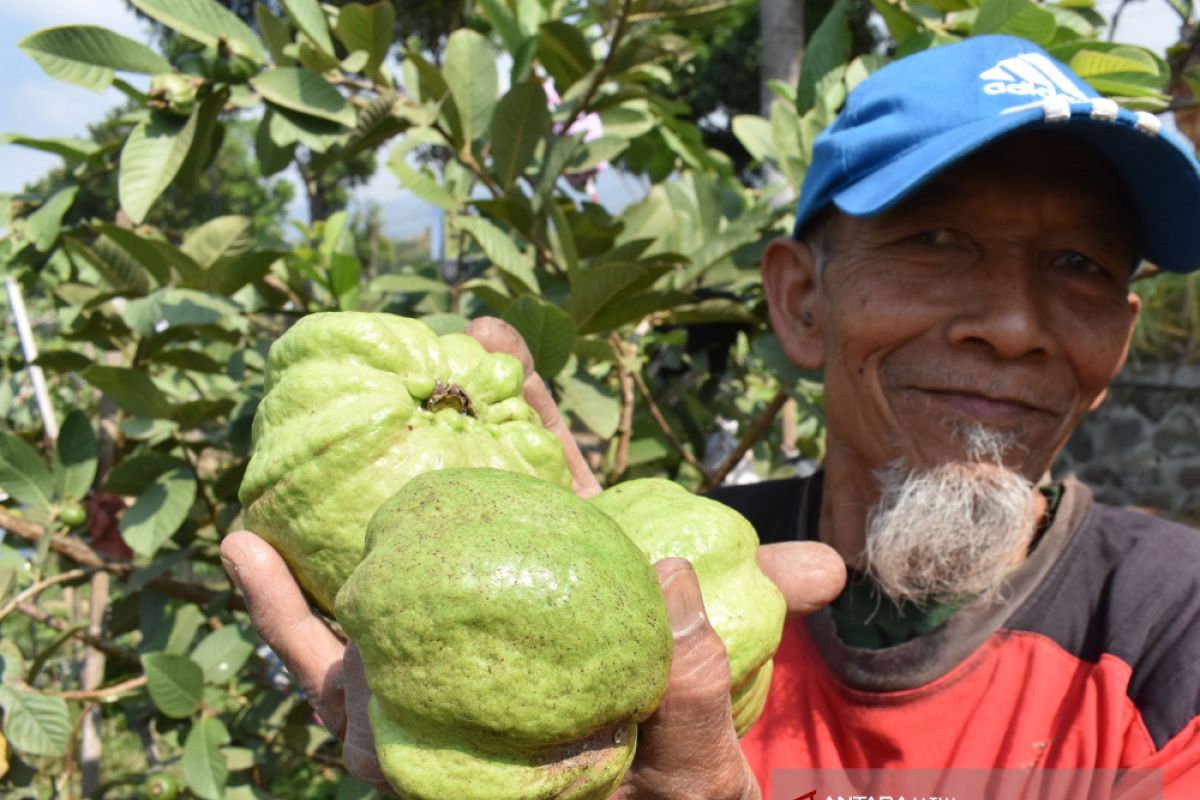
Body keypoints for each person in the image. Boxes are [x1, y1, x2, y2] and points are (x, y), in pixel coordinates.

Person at [220, 34, 1200, 799]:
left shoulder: (1169, 631)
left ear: (1115, 342)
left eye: (1080, 264)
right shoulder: (644, 597)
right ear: (802, 304)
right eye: (936, 240)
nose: (1018, 325)